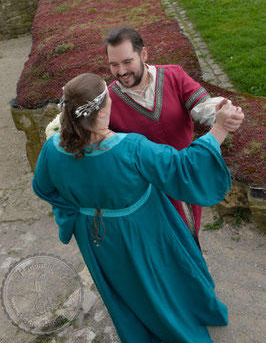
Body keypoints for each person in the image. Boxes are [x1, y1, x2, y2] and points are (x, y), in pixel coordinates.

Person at [34, 73, 241, 343]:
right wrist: (221, 127)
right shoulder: (131, 148)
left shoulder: (51, 148)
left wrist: (75, 211)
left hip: (93, 236)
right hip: (142, 227)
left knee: (124, 287)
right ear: (104, 108)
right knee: (161, 277)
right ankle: (177, 324)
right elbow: (185, 167)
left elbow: (43, 187)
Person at [105, 25, 245, 240]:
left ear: (143, 54)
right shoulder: (108, 100)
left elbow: (204, 106)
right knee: (164, 246)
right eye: (114, 64)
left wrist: (223, 114)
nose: (121, 71)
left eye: (127, 61)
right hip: (147, 193)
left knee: (190, 235)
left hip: (186, 177)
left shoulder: (173, 75)